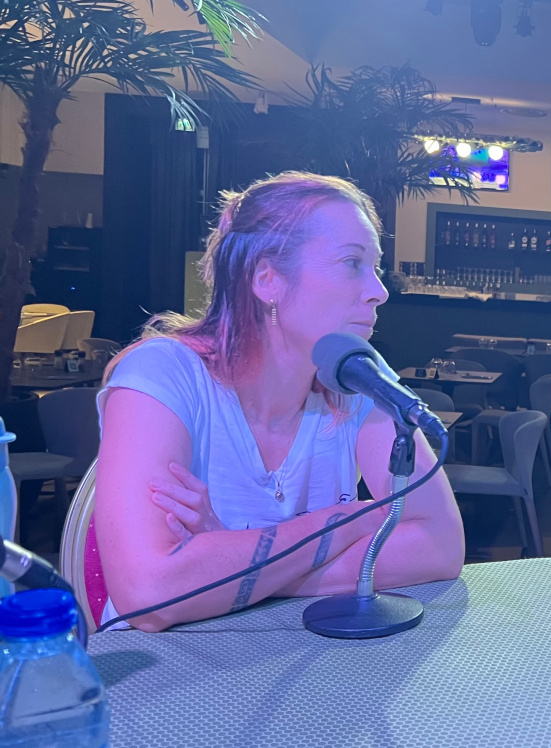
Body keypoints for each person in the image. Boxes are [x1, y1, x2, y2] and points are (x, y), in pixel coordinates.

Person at [94, 172, 465, 632]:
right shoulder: (162, 373)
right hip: (165, 664)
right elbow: (150, 595)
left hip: (302, 652)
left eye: (376, 268)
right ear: (267, 279)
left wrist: (239, 567)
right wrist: (346, 520)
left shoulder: (357, 378)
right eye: (352, 262)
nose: (379, 291)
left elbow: (441, 546)